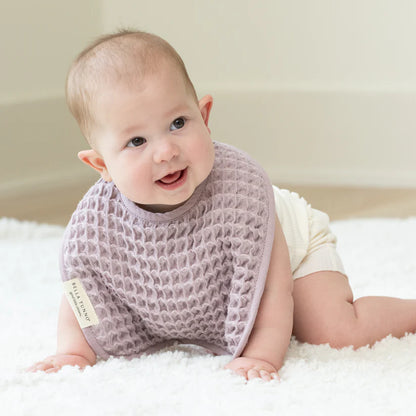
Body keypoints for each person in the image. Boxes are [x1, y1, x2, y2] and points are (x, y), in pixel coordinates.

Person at [28, 30, 416, 381]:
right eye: (136, 142)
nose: (166, 151)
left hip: (287, 248)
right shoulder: (97, 226)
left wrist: (262, 355)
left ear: (205, 116)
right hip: (214, 275)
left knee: (330, 330)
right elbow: (81, 287)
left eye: (178, 123)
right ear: (101, 166)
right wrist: (73, 350)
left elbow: (271, 287)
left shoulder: (241, 200)